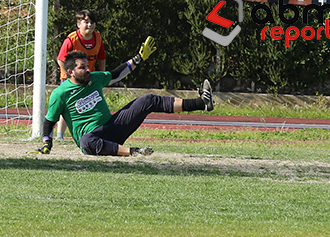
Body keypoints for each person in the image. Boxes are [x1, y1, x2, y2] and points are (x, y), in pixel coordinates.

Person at [31, 41, 216, 156]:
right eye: (82, 67)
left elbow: (117, 74)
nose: (87, 69)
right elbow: (49, 121)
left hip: (114, 127)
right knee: (86, 143)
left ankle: (202, 103)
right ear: (70, 72)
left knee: (147, 100)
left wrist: (137, 59)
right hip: (93, 138)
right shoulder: (60, 93)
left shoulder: (94, 78)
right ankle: (133, 152)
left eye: (87, 66)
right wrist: (47, 142)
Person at [54, 9, 107, 141]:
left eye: (93, 22)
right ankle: (59, 135)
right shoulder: (71, 40)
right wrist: (69, 76)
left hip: (88, 78)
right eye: (86, 22)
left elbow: (101, 57)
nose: (90, 25)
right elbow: (61, 59)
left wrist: (102, 74)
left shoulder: (98, 37)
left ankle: (92, 133)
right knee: (66, 107)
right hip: (70, 79)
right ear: (79, 24)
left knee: (91, 104)